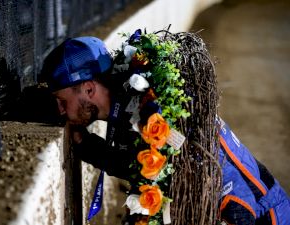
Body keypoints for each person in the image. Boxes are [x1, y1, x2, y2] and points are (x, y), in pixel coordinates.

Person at [39, 36, 290, 224]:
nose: (61, 111)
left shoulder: (153, 109)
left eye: (63, 102)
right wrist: (86, 145)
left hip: (262, 213)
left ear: (89, 89)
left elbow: (221, 176)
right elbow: (138, 165)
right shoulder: (128, 103)